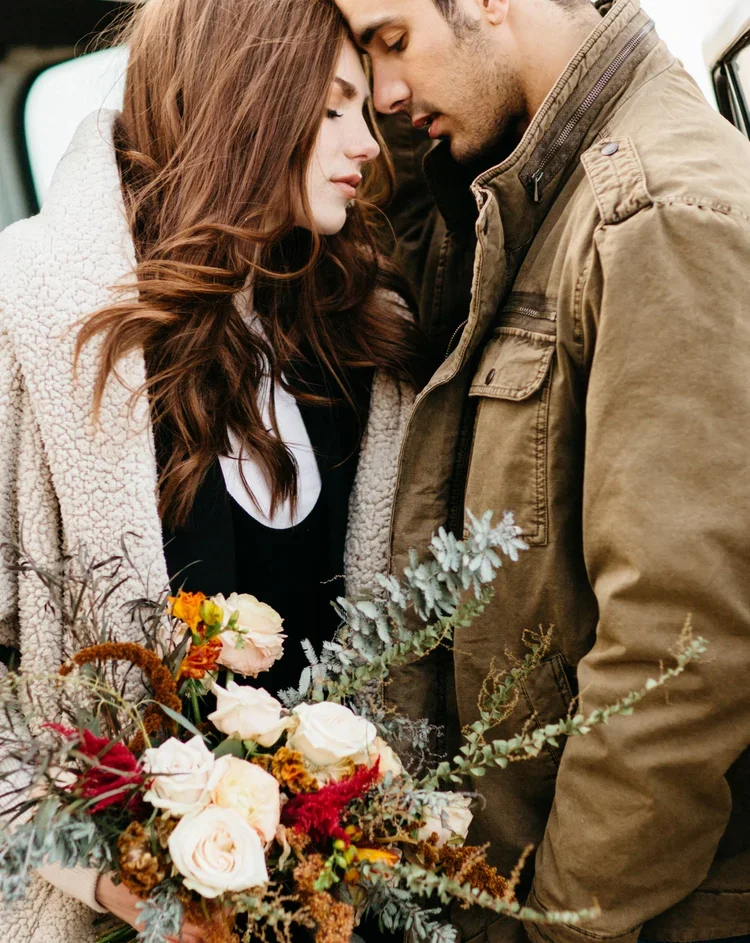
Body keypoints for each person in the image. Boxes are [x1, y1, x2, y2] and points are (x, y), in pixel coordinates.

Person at [0, 0, 422, 940]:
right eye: (334, 107)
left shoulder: (357, 338)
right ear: (248, 99)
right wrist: (120, 883)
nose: (367, 143)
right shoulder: (34, 314)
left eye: (365, 109)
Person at [332, 0, 750, 941]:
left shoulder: (656, 213)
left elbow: (679, 649)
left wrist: (557, 923)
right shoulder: (519, 198)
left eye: (394, 42)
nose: (385, 93)